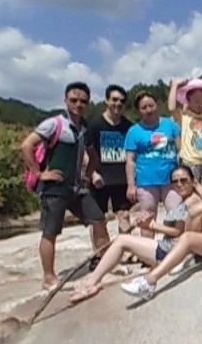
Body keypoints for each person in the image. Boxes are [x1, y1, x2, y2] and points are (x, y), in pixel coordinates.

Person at [67, 166, 202, 303]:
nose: (179, 184)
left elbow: (178, 233)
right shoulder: (186, 200)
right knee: (122, 240)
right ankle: (94, 280)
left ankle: (92, 282)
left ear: (192, 181)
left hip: (170, 252)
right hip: (167, 247)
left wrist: (152, 225)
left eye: (184, 180)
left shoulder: (190, 203)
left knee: (122, 241)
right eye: (175, 181)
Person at [121, 147, 202, 299]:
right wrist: (195, 185)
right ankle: (181, 255)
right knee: (197, 211)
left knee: (188, 234)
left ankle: (150, 281)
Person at [20, 82, 109, 290]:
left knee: (98, 219)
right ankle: (49, 278)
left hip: (76, 188)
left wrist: (87, 174)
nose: (78, 104)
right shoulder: (54, 124)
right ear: (65, 100)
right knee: (50, 231)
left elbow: (93, 156)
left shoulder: (84, 128)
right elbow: (26, 145)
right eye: (74, 100)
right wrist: (39, 173)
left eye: (83, 101)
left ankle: (104, 263)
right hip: (54, 189)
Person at [124, 91, 182, 239]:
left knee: (176, 214)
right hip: (146, 181)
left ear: (157, 105)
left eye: (151, 105)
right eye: (144, 107)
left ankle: (175, 246)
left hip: (171, 179)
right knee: (147, 219)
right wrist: (131, 185)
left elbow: (181, 150)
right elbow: (130, 160)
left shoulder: (170, 125)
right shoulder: (133, 131)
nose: (148, 110)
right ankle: (148, 249)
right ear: (138, 111)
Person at [86, 84, 133, 250]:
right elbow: (85, 151)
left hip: (121, 179)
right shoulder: (94, 125)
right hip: (100, 179)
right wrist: (93, 174)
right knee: (98, 219)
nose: (117, 104)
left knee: (124, 215)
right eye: (114, 99)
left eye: (121, 101)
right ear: (106, 100)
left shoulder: (128, 126)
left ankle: (126, 251)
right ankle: (101, 254)